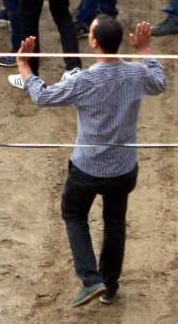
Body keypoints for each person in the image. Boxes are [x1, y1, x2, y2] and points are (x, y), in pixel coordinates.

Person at [17, 16, 167, 307]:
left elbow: (42, 96)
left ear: (94, 41)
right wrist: (145, 50)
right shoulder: (136, 73)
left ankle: (90, 279)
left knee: (74, 215)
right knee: (115, 224)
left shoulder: (84, 80)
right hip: (123, 167)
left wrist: (24, 65)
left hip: (88, 167)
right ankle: (109, 287)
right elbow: (160, 82)